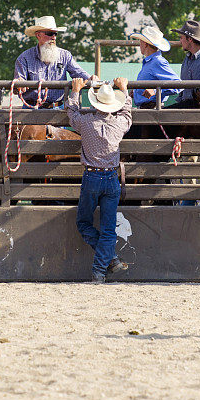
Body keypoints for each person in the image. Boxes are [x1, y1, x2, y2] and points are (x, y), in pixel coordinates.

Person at [67, 77, 132, 282]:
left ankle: (107, 262)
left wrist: (75, 91)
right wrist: (124, 89)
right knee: (108, 228)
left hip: (92, 177)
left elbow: (72, 114)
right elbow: (127, 113)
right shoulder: (120, 124)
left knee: (83, 223)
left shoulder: (86, 123)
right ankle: (102, 267)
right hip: (112, 177)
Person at [15, 16, 97, 107]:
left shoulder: (65, 56)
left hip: (58, 107)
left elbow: (79, 73)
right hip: (31, 109)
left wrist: (91, 78)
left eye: (55, 34)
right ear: (38, 35)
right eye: (50, 33)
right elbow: (18, 83)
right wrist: (19, 83)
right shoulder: (24, 58)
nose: (54, 37)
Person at [130, 25, 180, 108]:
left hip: (152, 109)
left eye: (140, 42)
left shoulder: (157, 61)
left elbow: (177, 85)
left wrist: (155, 90)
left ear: (145, 44)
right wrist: (136, 92)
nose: (140, 45)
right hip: (148, 108)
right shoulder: (151, 62)